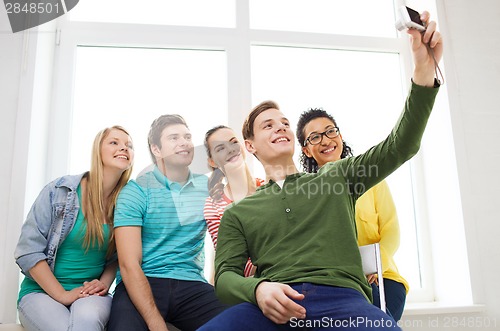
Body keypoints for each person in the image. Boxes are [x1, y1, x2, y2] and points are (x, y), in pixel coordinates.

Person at [199, 10, 442, 331]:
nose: (280, 127)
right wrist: (258, 288)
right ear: (251, 145)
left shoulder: (336, 177)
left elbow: (400, 146)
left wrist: (423, 71)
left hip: (347, 304)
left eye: (284, 122)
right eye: (267, 125)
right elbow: (225, 277)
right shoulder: (238, 214)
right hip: (274, 305)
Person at [107, 114, 226, 331]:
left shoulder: (209, 187)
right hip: (143, 280)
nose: (184, 142)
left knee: (240, 323)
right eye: (173, 138)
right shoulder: (136, 190)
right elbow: (128, 264)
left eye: (187, 137)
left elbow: (225, 237)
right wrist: (155, 323)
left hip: (192, 284)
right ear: (156, 149)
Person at [14, 126, 134, 331]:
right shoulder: (60, 190)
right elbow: (28, 251)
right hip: (40, 292)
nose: (123, 148)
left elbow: (118, 258)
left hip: (91, 295)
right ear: (98, 150)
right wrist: (62, 295)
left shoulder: (128, 202)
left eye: (129, 145)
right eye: (114, 142)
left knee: (86, 322)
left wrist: (104, 283)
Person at [296, 108, 409, 321]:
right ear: (307, 151)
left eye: (330, 131)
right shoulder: (305, 192)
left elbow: (391, 231)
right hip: (337, 283)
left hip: (382, 279)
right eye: (315, 137)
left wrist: (376, 268)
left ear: (340, 136)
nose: (325, 140)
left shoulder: (374, 179)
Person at [203, 125, 264, 279]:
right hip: (246, 283)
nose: (230, 149)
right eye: (220, 148)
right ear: (212, 162)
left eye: (233, 142)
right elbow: (230, 257)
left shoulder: (267, 188)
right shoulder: (213, 205)